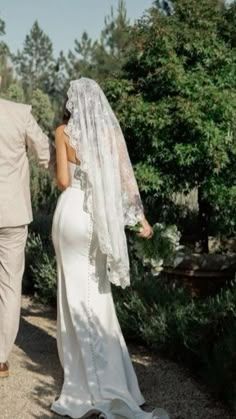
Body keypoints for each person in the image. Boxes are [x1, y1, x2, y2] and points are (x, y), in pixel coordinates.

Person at [51, 78, 169, 419]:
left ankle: (84, 384)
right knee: (96, 294)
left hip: (69, 213)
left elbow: (62, 181)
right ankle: (113, 381)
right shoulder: (108, 134)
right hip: (93, 220)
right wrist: (141, 220)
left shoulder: (62, 132)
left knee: (72, 298)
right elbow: (124, 182)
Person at [0, 97, 50, 378]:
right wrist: (45, 164)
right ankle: (0, 359)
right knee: (8, 285)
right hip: (13, 212)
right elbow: (44, 149)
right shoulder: (19, 113)